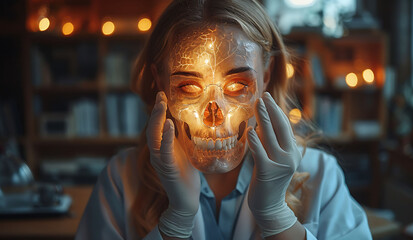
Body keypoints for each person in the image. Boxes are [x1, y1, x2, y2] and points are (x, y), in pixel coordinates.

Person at [76, 0, 372, 239]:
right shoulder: (120, 180)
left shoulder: (322, 176)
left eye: (237, 86)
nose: (213, 116)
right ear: (160, 82)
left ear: (266, 77)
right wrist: (175, 222)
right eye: (189, 87)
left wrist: (277, 219)